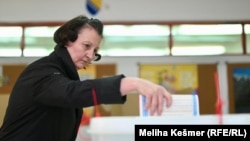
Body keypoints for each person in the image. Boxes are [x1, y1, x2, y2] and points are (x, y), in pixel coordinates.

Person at [0, 15, 172, 141]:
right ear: (67, 40)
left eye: (95, 51)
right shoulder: (42, 71)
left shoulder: (64, 73)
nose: (90, 55)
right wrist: (131, 83)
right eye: (86, 46)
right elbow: (71, 93)